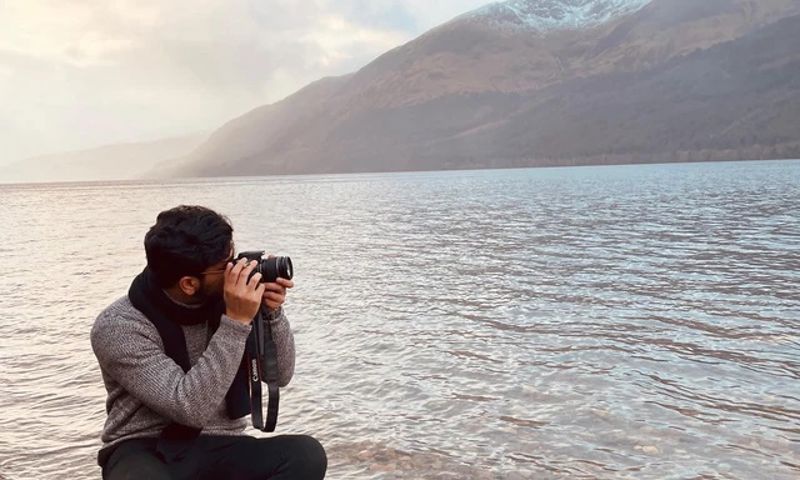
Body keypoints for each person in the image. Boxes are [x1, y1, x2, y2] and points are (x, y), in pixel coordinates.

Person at [90, 205, 327, 480]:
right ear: (189, 284)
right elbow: (188, 407)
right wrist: (236, 322)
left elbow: (281, 375)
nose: (237, 269)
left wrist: (271, 314)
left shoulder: (232, 302)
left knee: (305, 455)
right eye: (225, 266)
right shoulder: (119, 325)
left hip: (222, 443)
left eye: (234, 256)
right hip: (144, 447)